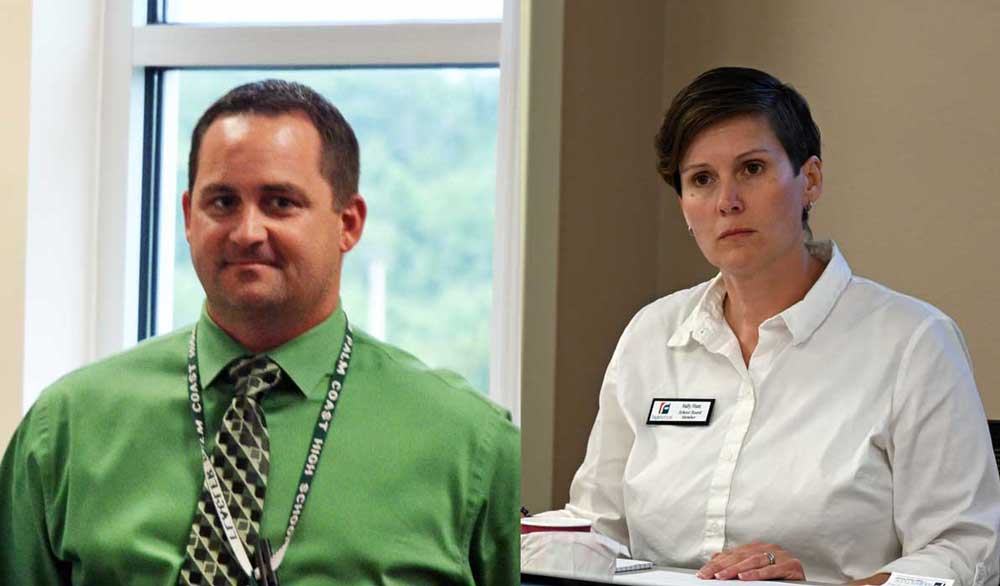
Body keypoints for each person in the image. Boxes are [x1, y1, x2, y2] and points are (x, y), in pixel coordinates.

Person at [0, 79, 519, 585]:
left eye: (280, 203)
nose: (248, 232)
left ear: (349, 223)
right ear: (187, 216)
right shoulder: (65, 429)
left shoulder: (470, 445)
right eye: (222, 202)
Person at [528, 67, 1000, 586]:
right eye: (701, 179)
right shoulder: (650, 334)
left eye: (751, 169)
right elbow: (598, 526)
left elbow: (963, 549)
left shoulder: (914, 342)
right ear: (684, 205)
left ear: (810, 181)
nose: (727, 200)